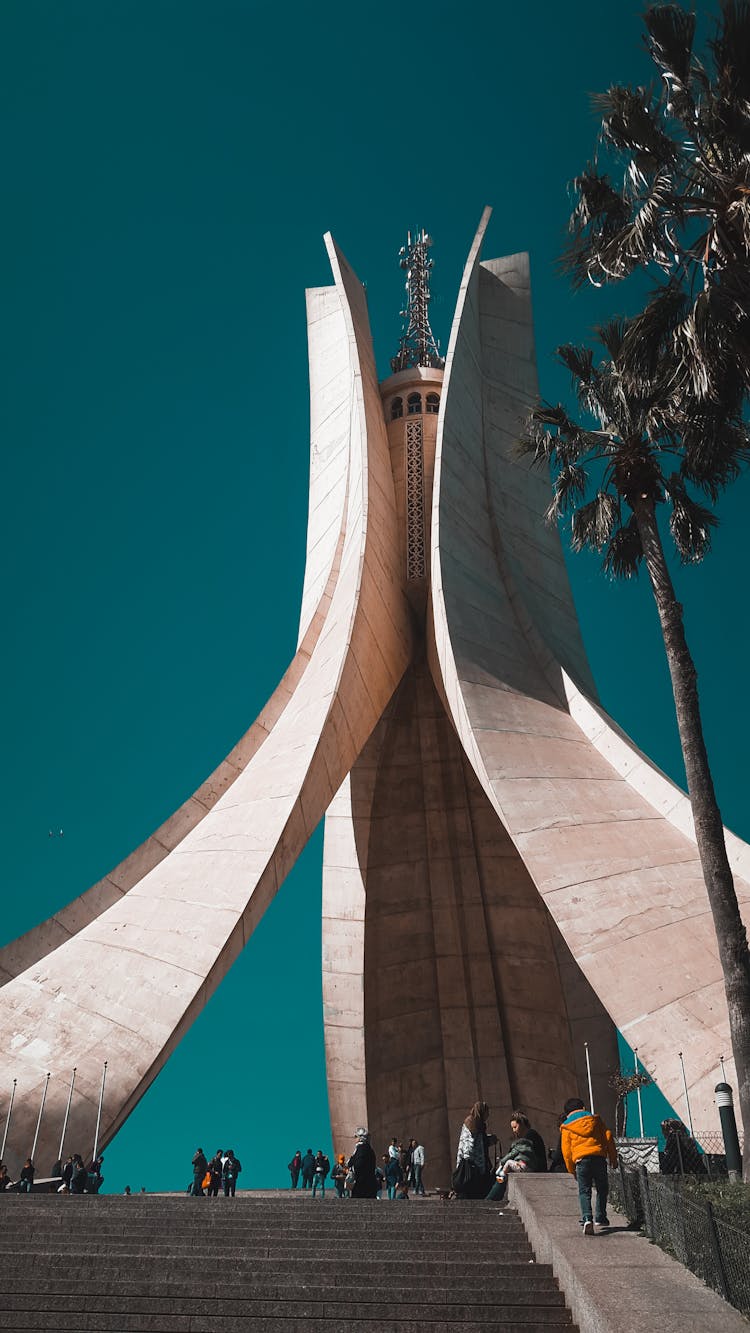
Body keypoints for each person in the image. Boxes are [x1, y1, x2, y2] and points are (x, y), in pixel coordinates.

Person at [560, 1097, 618, 1235]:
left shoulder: (567, 1126)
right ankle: (601, 1217)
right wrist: (613, 1158)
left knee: (584, 1191)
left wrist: (571, 1169)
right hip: (599, 1157)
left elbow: (566, 1151)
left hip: (581, 1160)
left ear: (567, 1113)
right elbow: (608, 1137)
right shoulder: (595, 1120)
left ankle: (587, 1219)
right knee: (602, 1188)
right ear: (584, 1108)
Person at [486, 1115, 546, 1201]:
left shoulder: (529, 1136)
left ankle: (492, 1197)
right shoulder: (529, 1135)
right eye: (512, 1128)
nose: (514, 1131)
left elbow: (516, 1153)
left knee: (502, 1174)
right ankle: (494, 1195)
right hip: (530, 1166)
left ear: (522, 1124)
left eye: (515, 1127)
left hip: (532, 1168)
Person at [454, 1101, 496, 1198]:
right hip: (472, 1164)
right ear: (481, 1111)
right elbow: (468, 1144)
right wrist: (470, 1163)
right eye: (487, 1112)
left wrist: (490, 1139)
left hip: (480, 1163)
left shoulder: (480, 1124)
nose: (488, 1115)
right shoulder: (471, 1122)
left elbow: (480, 1142)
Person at [347, 1127, 377, 1199]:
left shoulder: (361, 1149)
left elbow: (358, 1164)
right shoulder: (369, 1149)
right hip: (369, 1184)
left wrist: (351, 1169)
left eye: (356, 1137)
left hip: (362, 1184)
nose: (355, 1139)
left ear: (360, 1138)